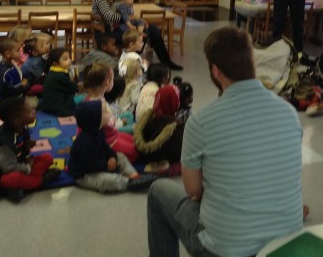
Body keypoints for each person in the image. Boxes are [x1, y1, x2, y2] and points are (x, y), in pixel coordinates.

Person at [147, 26, 303, 257]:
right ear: (254, 63)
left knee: (157, 191)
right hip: (285, 245)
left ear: (216, 71)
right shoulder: (289, 112)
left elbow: (193, 190)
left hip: (224, 249)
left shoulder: (201, 122)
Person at [91, 0, 182, 71]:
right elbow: (110, 16)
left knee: (152, 29)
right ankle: (133, 62)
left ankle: (166, 62)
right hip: (105, 32)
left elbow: (125, 6)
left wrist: (133, 18)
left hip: (117, 27)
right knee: (141, 34)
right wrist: (129, 17)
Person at [68, 100, 157, 193]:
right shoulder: (84, 142)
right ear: (95, 119)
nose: (108, 112)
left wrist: (112, 156)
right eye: (105, 112)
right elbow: (91, 164)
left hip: (100, 163)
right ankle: (129, 183)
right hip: (85, 174)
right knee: (108, 181)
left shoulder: (99, 131)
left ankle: (134, 175)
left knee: (120, 156)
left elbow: (105, 147)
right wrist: (106, 165)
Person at [0, 95, 60, 202]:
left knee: (47, 158)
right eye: (29, 112)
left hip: (21, 163)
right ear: (17, 121)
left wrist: (26, 146)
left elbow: (21, 150)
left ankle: (28, 183)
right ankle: (39, 181)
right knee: (14, 179)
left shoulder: (21, 128)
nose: (34, 112)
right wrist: (28, 167)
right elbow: (9, 167)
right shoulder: (6, 142)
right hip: (4, 172)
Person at [134, 84, 185, 176]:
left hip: (146, 157)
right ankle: (167, 169)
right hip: (167, 158)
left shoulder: (149, 119)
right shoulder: (177, 125)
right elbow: (180, 150)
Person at [40, 47, 79, 117]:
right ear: (56, 63)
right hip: (55, 106)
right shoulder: (59, 76)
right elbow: (73, 88)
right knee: (84, 98)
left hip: (49, 104)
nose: (69, 60)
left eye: (69, 58)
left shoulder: (53, 71)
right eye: (65, 59)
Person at [0, 37, 30, 102]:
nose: (21, 53)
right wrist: (22, 85)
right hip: (7, 102)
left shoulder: (11, 63)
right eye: (18, 51)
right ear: (8, 54)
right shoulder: (4, 71)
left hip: (15, 97)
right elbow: (9, 89)